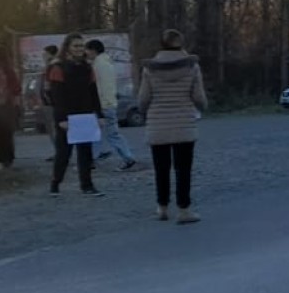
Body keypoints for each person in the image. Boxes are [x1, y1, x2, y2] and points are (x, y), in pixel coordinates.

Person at [137, 28, 209, 224]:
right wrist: (203, 107)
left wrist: (145, 112)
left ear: (161, 44)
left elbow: (143, 99)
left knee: (161, 169)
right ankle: (184, 210)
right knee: (183, 169)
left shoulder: (150, 68)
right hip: (184, 123)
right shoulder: (192, 67)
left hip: (158, 124)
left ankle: (162, 207)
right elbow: (199, 97)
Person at [47, 35, 103, 196]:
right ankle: (55, 183)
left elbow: (93, 92)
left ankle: (87, 185)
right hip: (68, 116)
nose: (79, 49)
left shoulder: (87, 67)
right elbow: (56, 96)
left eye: (81, 46)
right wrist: (61, 119)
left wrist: (99, 114)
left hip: (85, 114)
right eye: (76, 46)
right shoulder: (58, 67)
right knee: (63, 153)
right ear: (68, 48)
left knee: (86, 152)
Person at [84, 38, 138, 171]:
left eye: (88, 50)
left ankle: (127, 158)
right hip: (109, 103)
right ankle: (92, 159)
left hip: (103, 105)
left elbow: (100, 88)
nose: (87, 54)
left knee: (105, 134)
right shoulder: (107, 63)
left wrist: (100, 107)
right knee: (101, 133)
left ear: (93, 50)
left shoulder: (98, 66)